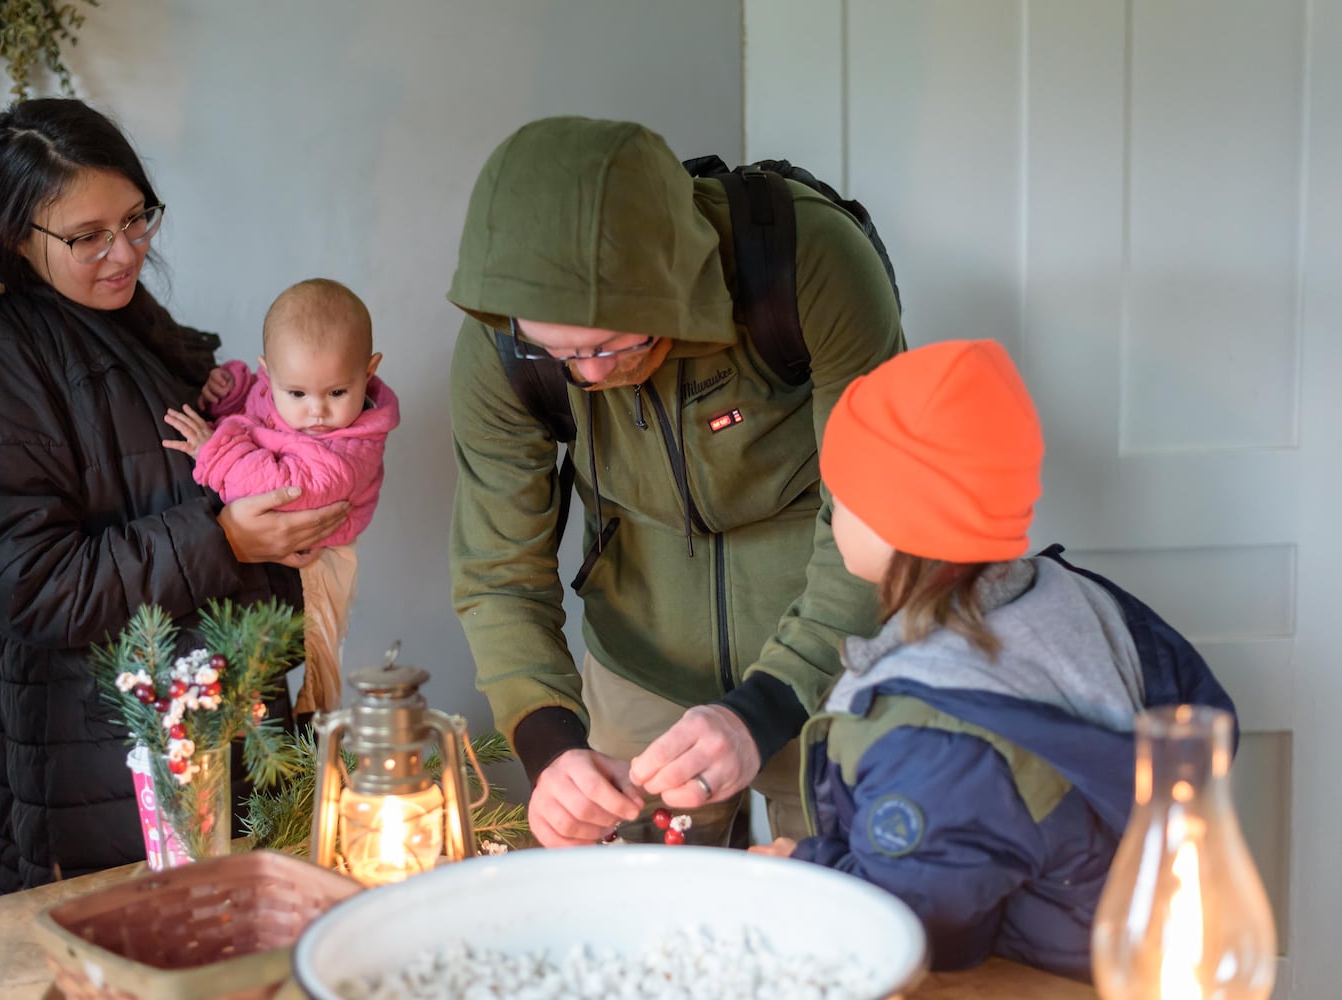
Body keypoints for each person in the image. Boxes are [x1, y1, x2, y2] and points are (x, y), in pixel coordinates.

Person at [0, 99, 348, 898]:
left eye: (137, 219)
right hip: (94, 770)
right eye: (87, 236)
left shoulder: (126, 323)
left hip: (206, 735)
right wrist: (224, 540)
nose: (124, 253)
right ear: (18, 234)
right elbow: (30, 583)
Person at [446, 116, 905, 849]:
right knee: (634, 920)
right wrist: (550, 742)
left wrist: (766, 707)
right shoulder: (503, 345)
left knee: (839, 883)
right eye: (558, 351)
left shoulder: (811, 262)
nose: (588, 373)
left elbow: (881, 509)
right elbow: (499, 567)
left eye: (610, 343)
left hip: (833, 649)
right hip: (638, 661)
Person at [748, 339, 1236, 979]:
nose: (831, 515)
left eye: (839, 498)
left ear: (895, 523)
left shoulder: (928, 737)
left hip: (1025, 984)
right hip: (1116, 958)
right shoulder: (1068, 597)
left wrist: (806, 873)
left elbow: (918, 930)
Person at [163, 278, 399, 716]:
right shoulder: (279, 391)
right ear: (269, 373)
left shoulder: (347, 453)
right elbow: (255, 409)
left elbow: (276, 492)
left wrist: (211, 449)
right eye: (296, 393)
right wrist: (229, 391)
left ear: (368, 372)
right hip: (270, 556)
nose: (316, 412)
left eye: (336, 393)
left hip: (320, 564)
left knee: (317, 667)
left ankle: (318, 737)